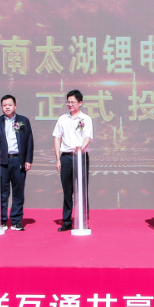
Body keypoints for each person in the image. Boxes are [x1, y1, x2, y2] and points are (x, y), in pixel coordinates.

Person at [0, 94, 34, 231]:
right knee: (2, 193)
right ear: (1, 107)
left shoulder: (23, 120)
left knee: (18, 192)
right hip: (2, 161)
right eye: (4, 105)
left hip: (18, 160)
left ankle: (16, 221)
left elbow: (29, 141)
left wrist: (28, 160)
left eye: (9, 105)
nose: (7, 107)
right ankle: (2, 220)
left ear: (15, 105)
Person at [52, 89, 93, 232]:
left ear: (80, 103)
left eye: (73, 102)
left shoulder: (86, 119)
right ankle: (67, 221)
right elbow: (57, 138)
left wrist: (81, 149)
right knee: (67, 190)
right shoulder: (62, 119)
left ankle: (83, 219)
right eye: (68, 102)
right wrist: (58, 159)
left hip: (80, 156)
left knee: (82, 190)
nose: (70, 104)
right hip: (66, 157)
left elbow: (87, 137)